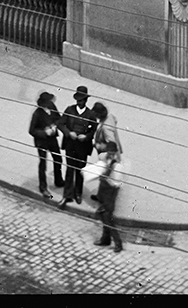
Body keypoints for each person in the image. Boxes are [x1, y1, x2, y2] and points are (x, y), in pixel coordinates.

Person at [90, 105, 125, 251]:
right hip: (105, 190)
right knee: (105, 216)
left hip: (110, 192)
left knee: (107, 216)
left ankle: (117, 243)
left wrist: (99, 144)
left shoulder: (115, 167)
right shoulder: (109, 118)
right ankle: (106, 239)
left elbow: (114, 184)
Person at [58, 86, 97, 205]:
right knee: (69, 170)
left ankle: (78, 193)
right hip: (70, 145)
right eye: (78, 100)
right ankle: (67, 195)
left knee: (80, 170)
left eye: (82, 100)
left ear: (86, 100)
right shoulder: (69, 110)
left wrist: (86, 137)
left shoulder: (90, 114)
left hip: (82, 148)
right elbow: (60, 124)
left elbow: (93, 130)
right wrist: (69, 133)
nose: (80, 103)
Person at [29, 91, 65, 200]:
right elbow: (32, 130)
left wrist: (54, 126)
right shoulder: (37, 114)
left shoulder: (52, 107)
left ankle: (58, 181)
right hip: (42, 141)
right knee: (43, 163)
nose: (50, 103)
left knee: (58, 158)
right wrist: (44, 133)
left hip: (52, 139)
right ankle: (43, 186)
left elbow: (58, 118)